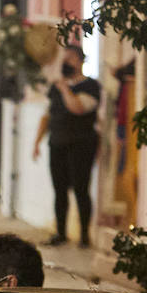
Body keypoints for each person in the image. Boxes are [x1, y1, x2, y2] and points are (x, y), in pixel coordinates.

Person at [34, 44, 101, 247]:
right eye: (65, 57)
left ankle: (84, 236)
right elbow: (47, 115)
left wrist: (65, 88)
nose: (66, 61)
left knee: (81, 189)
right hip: (57, 143)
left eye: (71, 57)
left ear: (80, 61)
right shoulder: (55, 87)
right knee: (59, 190)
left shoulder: (91, 86)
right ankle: (60, 233)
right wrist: (37, 142)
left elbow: (78, 108)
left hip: (81, 144)